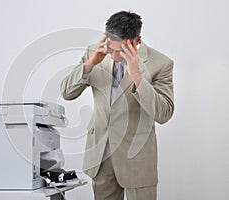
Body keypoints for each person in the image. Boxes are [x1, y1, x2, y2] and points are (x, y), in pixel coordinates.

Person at [60, 10, 174, 200]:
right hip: (101, 156)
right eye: (110, 48)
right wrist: (90, 63)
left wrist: (137, 76)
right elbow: (67, 93)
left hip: (137, 157)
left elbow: (164, 113)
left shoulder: (161, 64)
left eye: (119, 50)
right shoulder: (95, 52)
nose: (112, 55)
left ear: (136, 42)